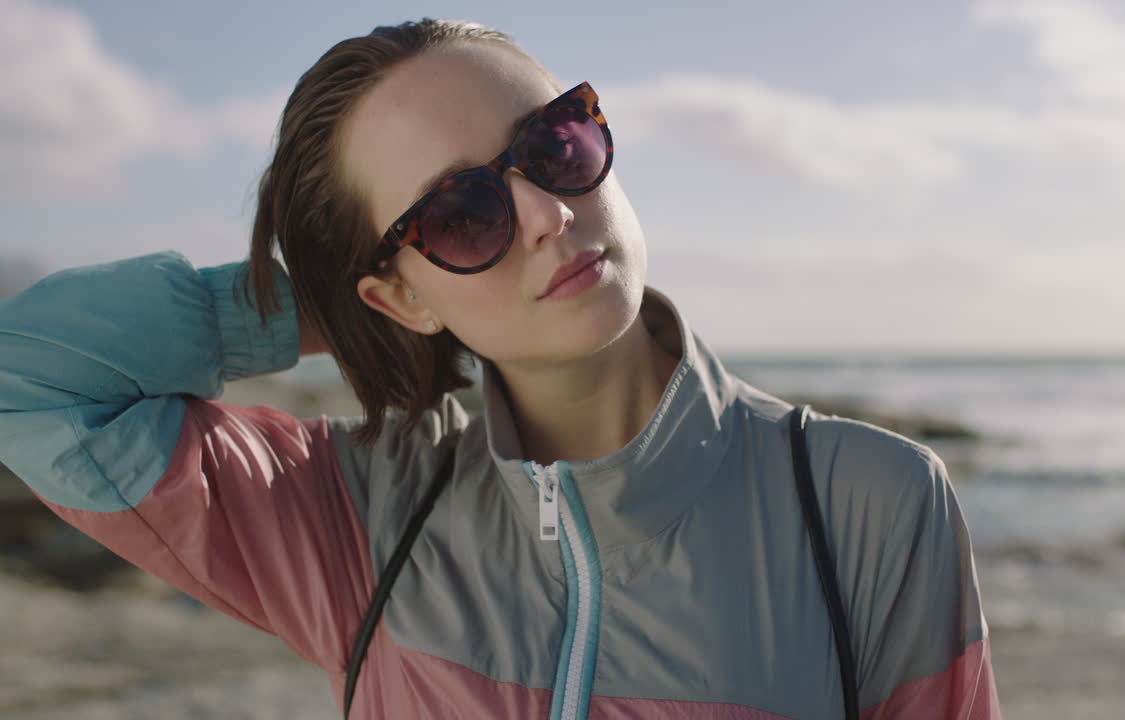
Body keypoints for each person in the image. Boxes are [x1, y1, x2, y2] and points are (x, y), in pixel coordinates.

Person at [0, 18, 1001, 720]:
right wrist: (340, 309)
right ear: (396, 298)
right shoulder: (360, 516)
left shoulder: (865, 501)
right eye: (462, 215)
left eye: (554, 146)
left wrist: (438, 277)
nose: (548, 215)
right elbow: (28, 379)